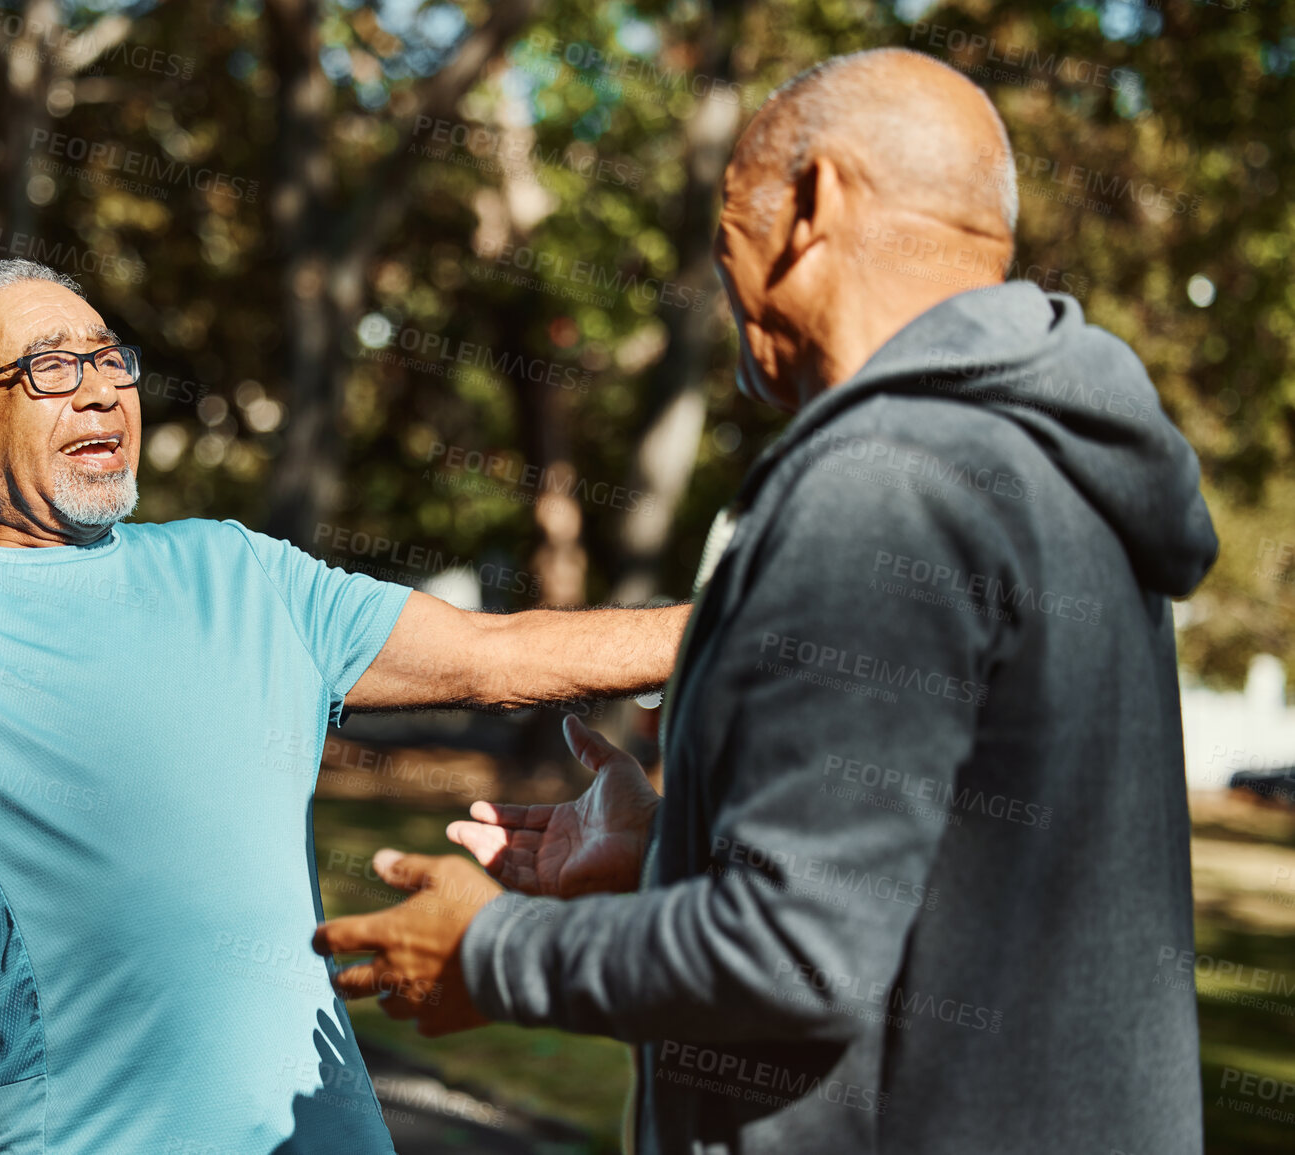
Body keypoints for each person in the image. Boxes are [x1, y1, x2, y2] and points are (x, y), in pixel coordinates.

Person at [0, 257, 690, 1153]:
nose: (104, 388)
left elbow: (498, 656)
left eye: (113, 360)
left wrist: (750, 625)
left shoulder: (242, 572)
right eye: (51, 370)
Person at [313, 47, 1218, 1155]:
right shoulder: (1059, 465)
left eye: (727, 220)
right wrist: (670, 859)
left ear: (816, 202)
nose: (721, 275)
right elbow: (921, 896)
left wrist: (488, 952)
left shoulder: (881, 484)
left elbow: (796, 955)